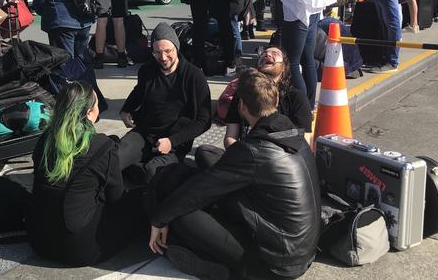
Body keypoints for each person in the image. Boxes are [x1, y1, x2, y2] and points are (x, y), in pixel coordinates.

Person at [148, 69, 320, 280]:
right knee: (207, 170)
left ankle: (223, 270)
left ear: (242, 107)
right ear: (275, 102)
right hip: (303, 252)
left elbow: (198, 191)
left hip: (275, 266)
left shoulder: (253, 150)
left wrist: (159, 219)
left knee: (182, 215)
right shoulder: (294, 135)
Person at [28, 82, 145, 267]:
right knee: (139, 199)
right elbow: (115, 197)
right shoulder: (101, 146)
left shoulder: (45, 139)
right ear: (89, 112)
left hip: (39, 241)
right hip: (79, 250)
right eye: (97, 103)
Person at [118, 22, 211, 183]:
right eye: (157, 52)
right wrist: (126, 110)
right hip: (145, 134)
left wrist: (172, 141)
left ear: (177, 48)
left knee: (152, 172)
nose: (163, 58)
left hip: (174, 143)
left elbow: (204, 121)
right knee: (114, 159)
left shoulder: (194, 76)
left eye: (168, 51)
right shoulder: (147, 71)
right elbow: (138, 92)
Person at [196, 46, 312, 169]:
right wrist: (245, 155)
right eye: (263, 54)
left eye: (275, 53)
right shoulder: (243, 93)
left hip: (279, 164)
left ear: (284, 67)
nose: (267, 55)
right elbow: (230, 137)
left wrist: (264, 157)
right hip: (246, 158)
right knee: (205, 153)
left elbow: (304, 142)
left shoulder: (296, 98)